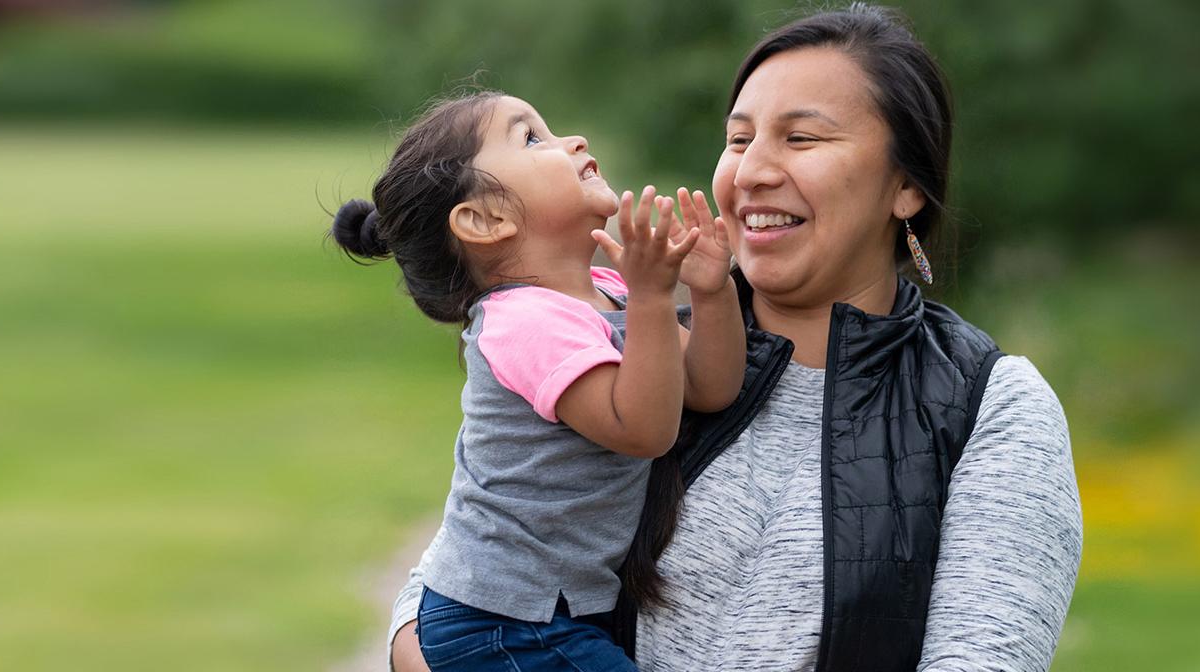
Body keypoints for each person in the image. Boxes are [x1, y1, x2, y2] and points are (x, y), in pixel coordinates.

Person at [389, 6, 1083, 671]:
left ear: (905, 186)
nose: (752, 171)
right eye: (740, 139)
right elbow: (457, 582)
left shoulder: (991, 405)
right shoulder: (643, 349)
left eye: (802, 138)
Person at [330, 91, 746, 670]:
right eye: (533, 138)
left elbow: (709, 387)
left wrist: (711, 290)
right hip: (499, 621)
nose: (573, 140)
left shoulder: (609, 291)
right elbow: (645, 429)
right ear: (485, 219)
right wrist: (655, 297)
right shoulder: (522, 319)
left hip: (551, 614)